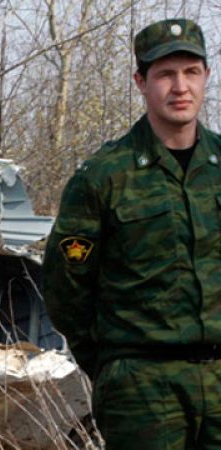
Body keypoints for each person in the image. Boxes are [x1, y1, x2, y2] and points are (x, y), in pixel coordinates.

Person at [42, 18, 221, 449]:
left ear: (207, 76)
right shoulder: (104, 176)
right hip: (142, 390)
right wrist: (111, 366)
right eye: (165, 74)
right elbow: (66, 287)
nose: (181, 87)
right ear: (141, 82)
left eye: (191, 72)